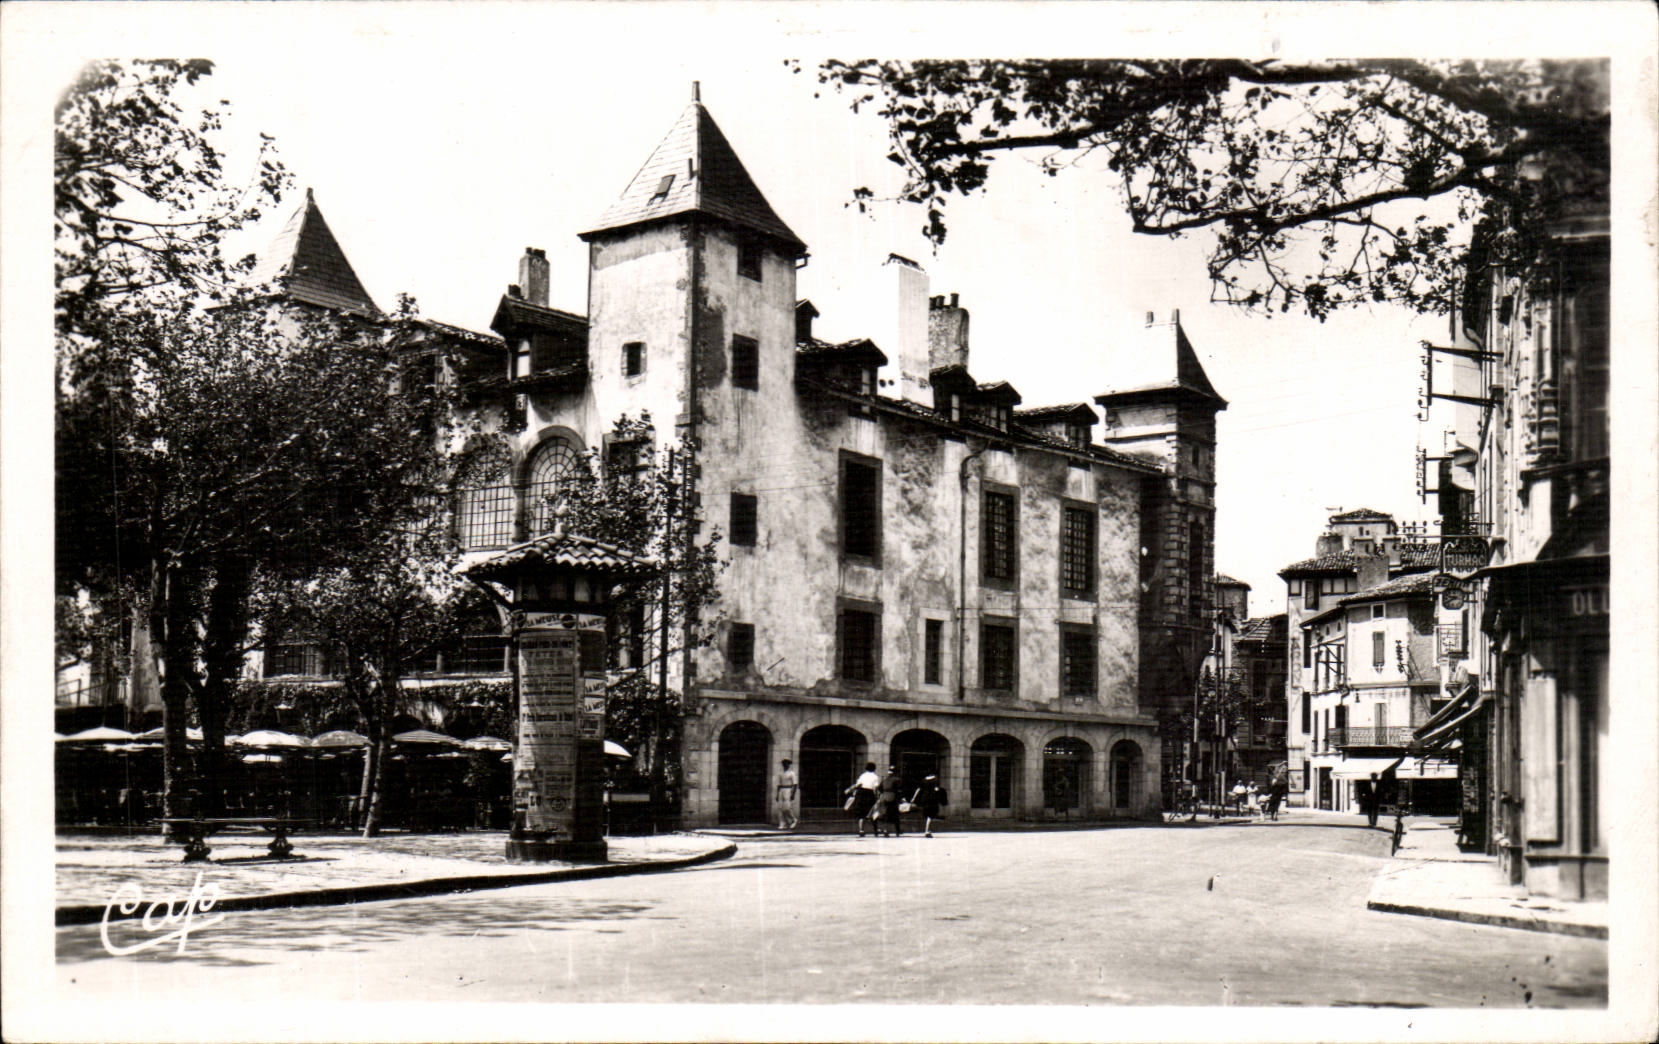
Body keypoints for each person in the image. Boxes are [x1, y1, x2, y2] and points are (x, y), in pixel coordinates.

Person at [845, 761, 881, 837]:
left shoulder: (863, 775)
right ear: (874, 768)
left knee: (862, 813)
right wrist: (876, 797)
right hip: (869, 794)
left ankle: (861, 830)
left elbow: (858, 784)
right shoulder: (875, 777)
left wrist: (849, 789)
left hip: (861, 794)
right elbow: (875, 788)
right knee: (873, 812)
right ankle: (875, 830)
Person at [877, 765, 904, 837]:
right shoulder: (897, 780)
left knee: (886, 814)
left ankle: (885, 830)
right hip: (893, 798)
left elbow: (879, 788)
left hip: (885, 797)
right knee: (895, 815)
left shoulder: (884, 780)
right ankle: (897, 831)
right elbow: (899, 790)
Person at [774, 758, 799, 830]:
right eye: (784, 764)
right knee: (780, 807)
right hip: (782, 789)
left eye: (787, 763)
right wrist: (777, 794)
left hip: (788, 789)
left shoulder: (791, 773)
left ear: (789, 765)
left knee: (787, 807)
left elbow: (795, 784)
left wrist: (793, 794)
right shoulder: (780, 773)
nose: (785, 765)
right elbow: (778, 784)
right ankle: (782, 823)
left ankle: (793, 819)